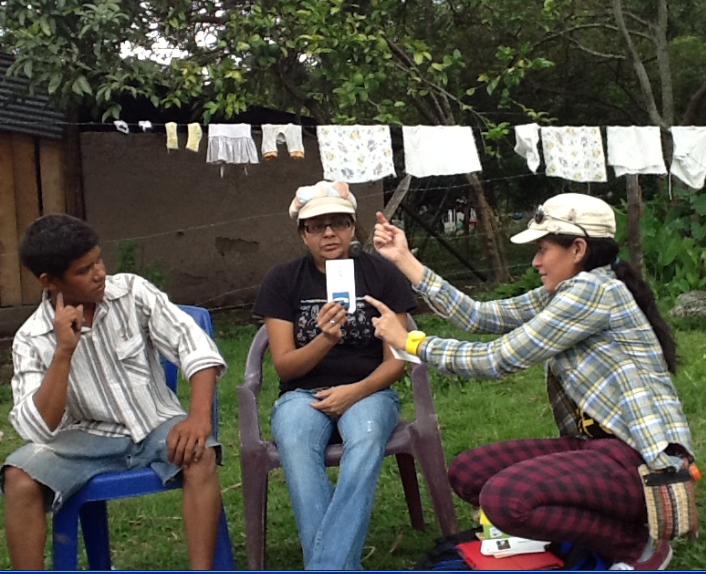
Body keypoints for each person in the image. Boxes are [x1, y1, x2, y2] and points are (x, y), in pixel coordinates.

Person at [366, 193, 695, 571]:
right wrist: (404, 259)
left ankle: (638, 548)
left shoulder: (593, 292)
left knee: (506, 498)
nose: (536, 261)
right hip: (597, 452)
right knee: (469, 472)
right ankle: (588, 535)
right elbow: (480, 316)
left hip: (639, 462)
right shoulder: (567, 289)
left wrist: (410, 342)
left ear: (578, 249)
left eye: (542, 249)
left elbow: (498, 358)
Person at [0, 214, 227, 570]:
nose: (99, 273)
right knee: (18, 478)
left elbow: (195, 347)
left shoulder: (133, 292)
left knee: (200, 453)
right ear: (49, 282)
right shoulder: (32, 338)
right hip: (86, 439)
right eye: (83, 270)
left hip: (156, 423)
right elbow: (38, 429)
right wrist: (63, 352)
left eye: (99, 260)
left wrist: (198, 418)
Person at [252, 180, 416, 570]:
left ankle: (325, 566)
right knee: (294, 440)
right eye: (316, 225)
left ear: (352, 227)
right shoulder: (283, 280)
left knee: (368, 436)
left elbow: (397, 359)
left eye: (339, 223)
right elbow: (285, 365)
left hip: (370, 391)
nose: (329, 233)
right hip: (302, 394)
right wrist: (325, 339)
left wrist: (355, 391)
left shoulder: (382, 274)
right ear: (302, 233)